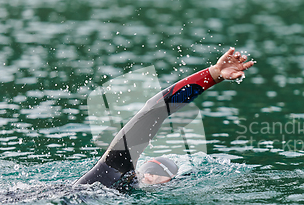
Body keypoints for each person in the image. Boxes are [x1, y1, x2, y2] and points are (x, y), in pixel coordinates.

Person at [74, 47, 254, 191]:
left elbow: (155, 110)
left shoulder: (109, 172)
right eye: (151, 173)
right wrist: (213, 74)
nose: (148, 176)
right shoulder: (114, 169)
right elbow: (155, 110)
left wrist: (213, 74)